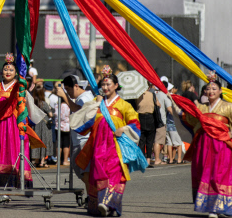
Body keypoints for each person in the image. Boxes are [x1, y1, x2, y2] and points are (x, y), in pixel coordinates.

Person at [71, 66, 142, 217]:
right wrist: (93, 105)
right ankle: (104, 205)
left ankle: (107, 203)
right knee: (99, 174)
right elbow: (82, 123)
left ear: (116, 86)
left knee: (115, 173)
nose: (105, 87)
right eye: (103, 84)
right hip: (98, 147)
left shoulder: (124, 105)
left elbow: (135, 124)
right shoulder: (97, 103)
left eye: (108, 84)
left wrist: (123, 129)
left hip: (116, 147)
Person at [0, 53, 44, 188]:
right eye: (6, 69)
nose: (8, 72)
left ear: (16, 73)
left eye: (11, 70)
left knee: (11, 151)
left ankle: (11, 182)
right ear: (2, 72)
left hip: (13, 123)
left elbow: (24, 105)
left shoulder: (19, 87)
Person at [183, 73, 232, 218]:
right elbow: (191, 120)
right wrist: (173, 101)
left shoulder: (229, 107)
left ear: (220, 91)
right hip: (204, 147)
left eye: (214, 88)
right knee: (207, 175)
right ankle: (212, 207)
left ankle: (223, 206)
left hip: (222, 147)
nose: (210, 91)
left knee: (220, 176)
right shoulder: (201, 107)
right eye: (208, 89)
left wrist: (230, 134)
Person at [57, 75, 93, 194]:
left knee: (84, 171)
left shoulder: (85, 97)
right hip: (79, 139)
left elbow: (79, 110)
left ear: (76, 86)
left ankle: (93, 194)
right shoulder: (82, 97)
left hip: (85, 140)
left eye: (68, 89)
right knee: (81, 170)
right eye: (66, 90)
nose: (68, 92)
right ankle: (94, 192)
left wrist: (64, 96)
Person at [31, 85, 53, 167]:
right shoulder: (43, 103)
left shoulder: (32, 104)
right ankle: (42, 161)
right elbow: (50, 115)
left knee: (37, 141)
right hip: (44, 126)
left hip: (35, 124)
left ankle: (36, 160)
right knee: (44, 141)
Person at [136, 89, 159, 166]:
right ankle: (148, 160)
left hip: (140, 117)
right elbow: (158, 105)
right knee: (150, 140)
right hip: (150, 118)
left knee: (141, 140)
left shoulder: (137, 95)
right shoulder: (152, 94)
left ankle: (142, 161)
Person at [153, 80, 171, 166]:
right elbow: (169, 108)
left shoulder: (155, 95)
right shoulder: (164, 96)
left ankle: (154, 156)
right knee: (159, 140)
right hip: (162, 120)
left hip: (154, 120)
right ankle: (157, 158)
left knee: (155, 139)